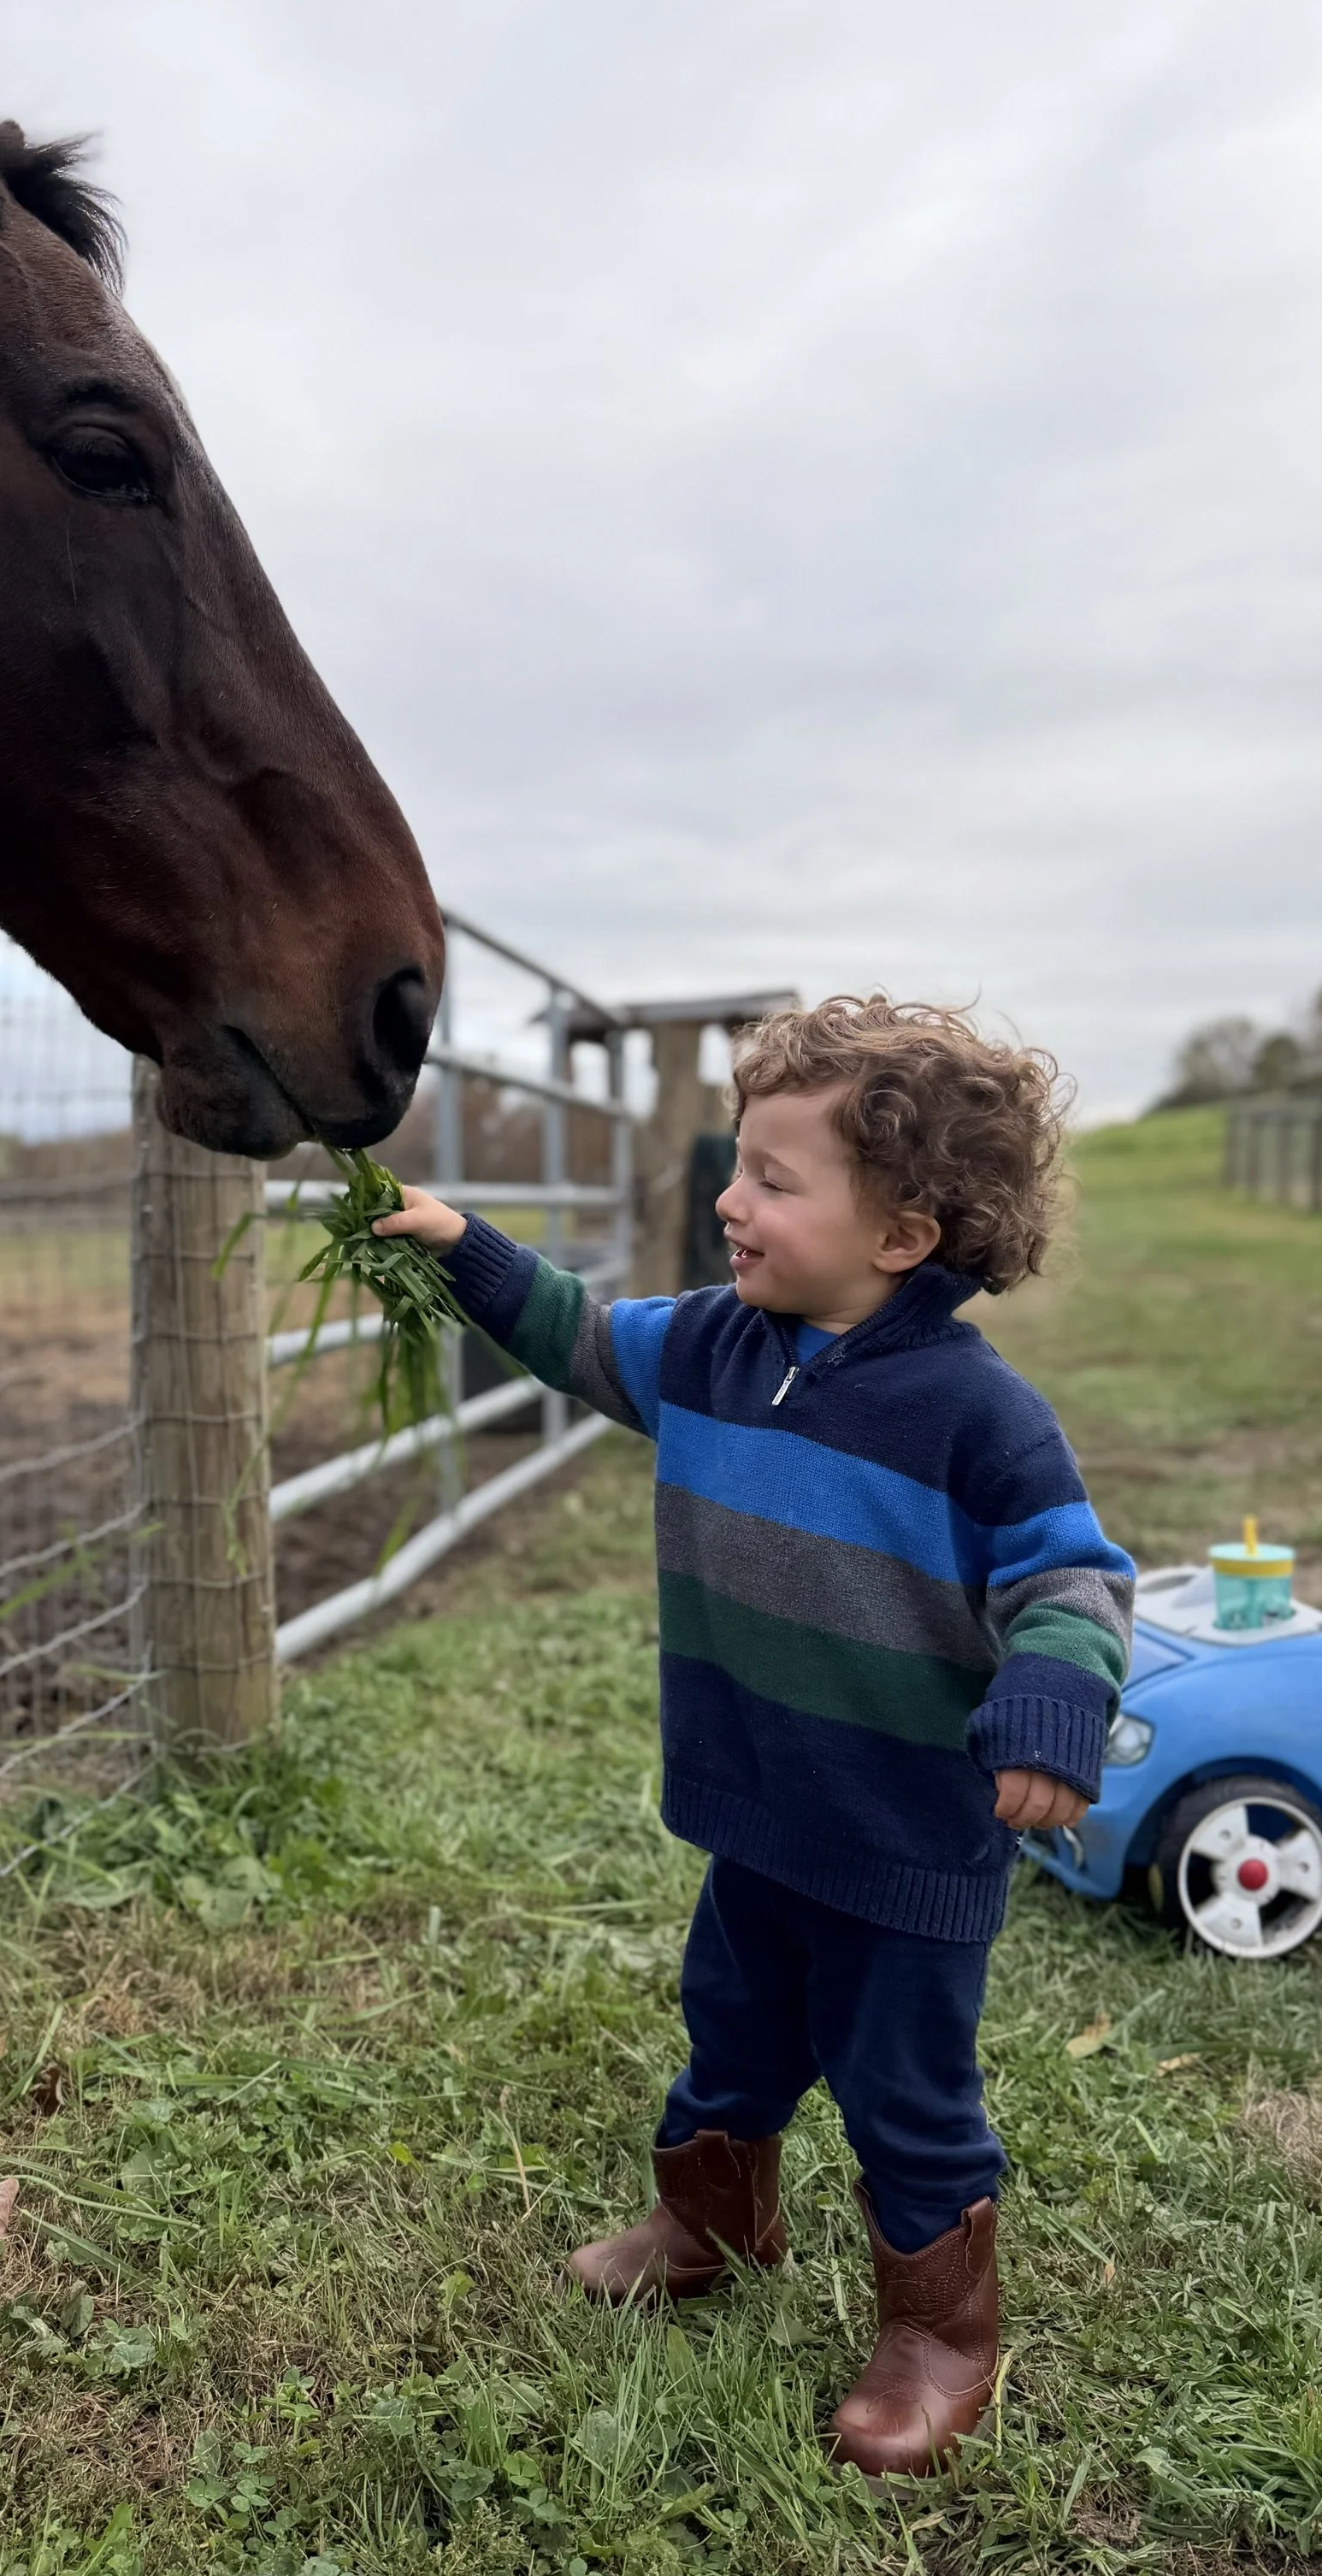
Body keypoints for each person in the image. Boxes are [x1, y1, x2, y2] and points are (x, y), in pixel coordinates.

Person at [374, 995, 1132, 2478]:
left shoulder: (978, 1417)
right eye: (738, 1164)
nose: (729, 1200)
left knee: (904, 2091)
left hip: (906, 1839)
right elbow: (584, 1339)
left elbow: (1072, 1576)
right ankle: (714, 2220)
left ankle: (938, 2331)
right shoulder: (719, 1345)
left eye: (774, 1181)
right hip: (760, 1810)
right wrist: (464, 1243)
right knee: (730, 2026)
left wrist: (1049, 1699)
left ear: (904, 1235)